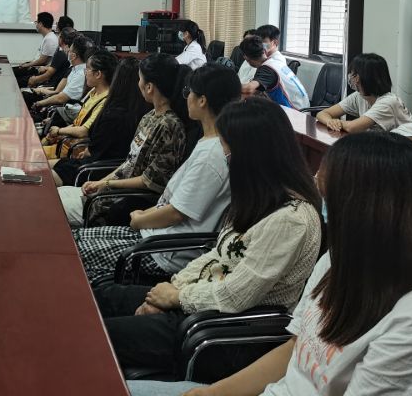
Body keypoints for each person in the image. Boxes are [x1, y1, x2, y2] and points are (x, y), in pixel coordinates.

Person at [129, 132, 412, 396]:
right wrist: (210, 393)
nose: (316, 190)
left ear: (363, 209)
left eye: (327, 193)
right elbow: (294, 351)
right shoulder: (341, 259)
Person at [96, 97, 322, 374]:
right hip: (198, 302)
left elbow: (236, 295)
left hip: (221, 331)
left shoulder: (291, 219)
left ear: (251, 155)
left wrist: (176, 298)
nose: (226, 159)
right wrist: (169, 291)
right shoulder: (260, 199)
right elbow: (216, 255)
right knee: (103, 297)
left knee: (97, 336)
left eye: (228, 150)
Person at [71, 65, 238, 282]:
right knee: (73, 239)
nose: (185, 98)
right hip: (154, 236)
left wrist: (139, 220)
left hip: (163, 252)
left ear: (202, 101)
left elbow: (177, 213)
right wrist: (142, 216)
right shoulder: (208, 143)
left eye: (189, 92)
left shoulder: (211, 155)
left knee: (73, 255)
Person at [61, 53, 188, 227]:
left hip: (121, 200)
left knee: (50, 206)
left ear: (149, 87)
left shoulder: (169, 126)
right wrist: (101, 183)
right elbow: (129, 163)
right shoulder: (149, 116)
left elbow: (150, 181)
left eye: (140, 79)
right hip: (110, 192)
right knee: (55, 193)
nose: (138, 83)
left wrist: (107, 184)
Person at [51, 57, 151, 188]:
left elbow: (95, 148)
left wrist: (89, 151)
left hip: (96, 171)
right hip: (108, 167)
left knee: (46, 170)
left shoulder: (114, 113)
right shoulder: (146, 112)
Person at [42, 49, 117, 161]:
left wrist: (59, 131)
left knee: (36, 157)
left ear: (98, 74)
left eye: (87, 69)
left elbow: (84, 131)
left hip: (76, 150)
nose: (85, 73)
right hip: (67, 143)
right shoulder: (93, 92)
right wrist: (57, 133)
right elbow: (77, 122)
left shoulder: (104, 101)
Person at [316, 52, 412, 133]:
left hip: (406, 147)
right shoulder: (359, 96)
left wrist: (338, 123)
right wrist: (330, 122)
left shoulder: (388, 102)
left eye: (352, 73)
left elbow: (352, 127)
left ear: (357, 77)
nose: (349, 76)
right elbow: (322, 113)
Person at [33, 36, 94, 124]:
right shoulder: (75, 69)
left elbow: (61, 98)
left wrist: (40, 103)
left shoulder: (81, 74)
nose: (67, 51)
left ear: (73, 56)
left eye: (70, 50)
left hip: (68, 112)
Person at [238, 35, 309, 110]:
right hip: (304, 108)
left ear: (246, 58)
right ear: (264, 51)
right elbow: (256, 91)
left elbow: (248, 89)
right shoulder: (275, 62)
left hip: (295, 112)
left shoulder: (267, 69)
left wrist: (232, 86)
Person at [15, 12, 58, 86]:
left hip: (39, 71)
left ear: (40, 24)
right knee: (13, 71)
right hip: (35, 67)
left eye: (36, 22)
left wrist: (28, 65)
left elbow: (42, 61)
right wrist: (28, 64)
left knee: (13, 78)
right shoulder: (48, 37)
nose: (36, 25)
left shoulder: (50, 39)